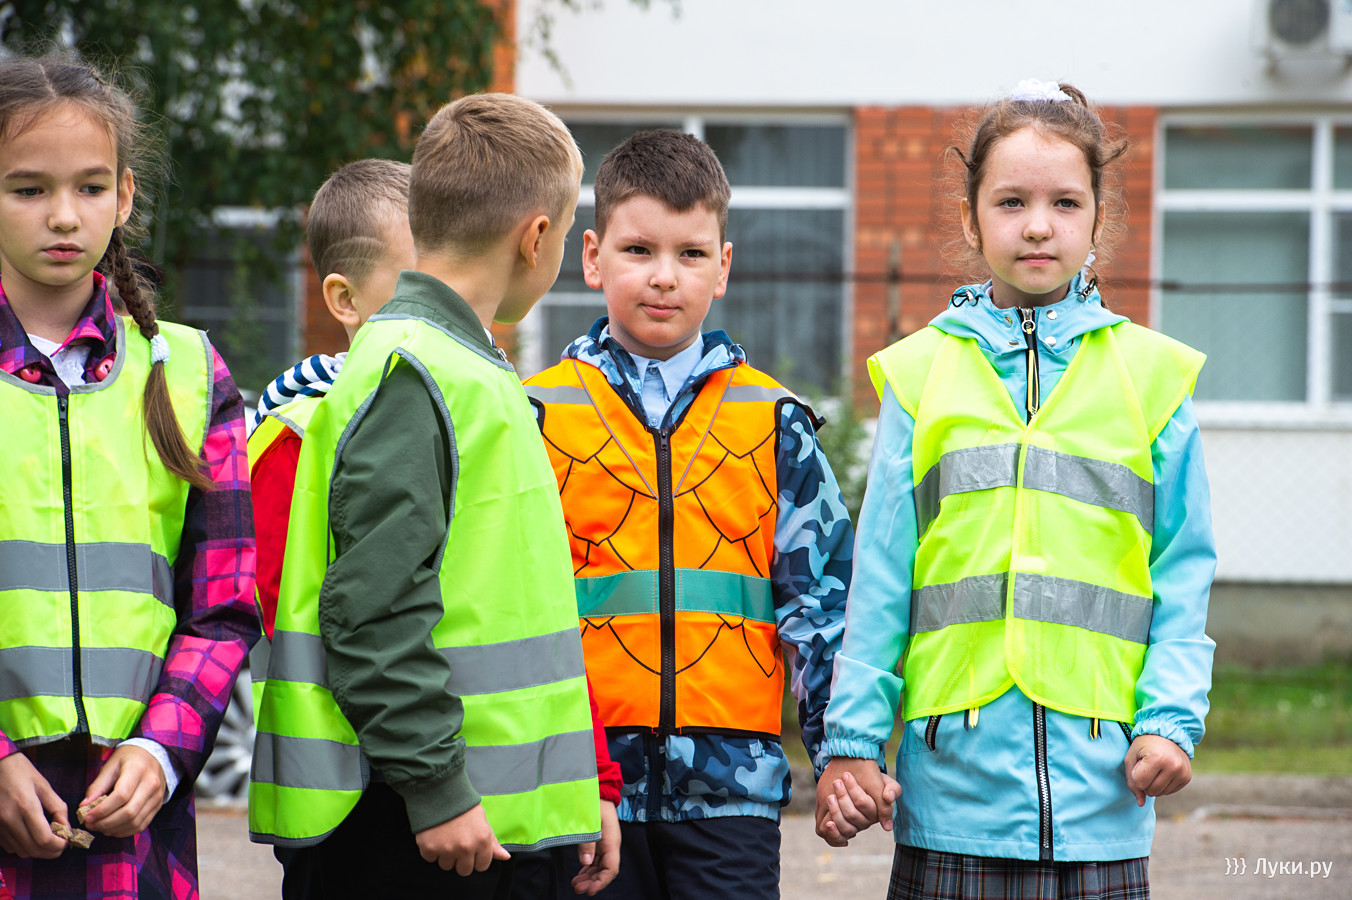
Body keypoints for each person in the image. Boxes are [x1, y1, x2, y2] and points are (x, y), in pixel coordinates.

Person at [815, 80, 1216, 899]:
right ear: (971, 220)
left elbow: (1182, 570)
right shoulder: (919, 377)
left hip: (1104, 793)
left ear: (1097, 219)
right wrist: (852, 741)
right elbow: (880, 578)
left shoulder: (1153, 380)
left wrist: (1171, 720)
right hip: (950, 797)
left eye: (1065, 202)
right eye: (1011, 201)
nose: (1038, 225)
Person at [247, 93, 608, 899]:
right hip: (419, 824)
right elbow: (372, 607)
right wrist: (436, 786)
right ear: (536, 238)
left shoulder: (460, 365)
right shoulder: (417, 369)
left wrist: (581, 790)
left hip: (480, 816)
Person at [524, 129, 854, 900]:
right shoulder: (533, 417)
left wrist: (841, 752)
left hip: (731, 794)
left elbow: (823, 607)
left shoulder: (774, 422)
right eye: (639, 250)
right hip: (579, 787)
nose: (664, 276)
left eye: (691, 253)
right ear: (593, 257)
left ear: (724, 267)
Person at [0, 53, 259, 898]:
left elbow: (224, 607)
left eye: (89, 187)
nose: (63, 215)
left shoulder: (189, 372)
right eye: (28, 188)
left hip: (133, 823)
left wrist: (160, 750)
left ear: (125, 196)